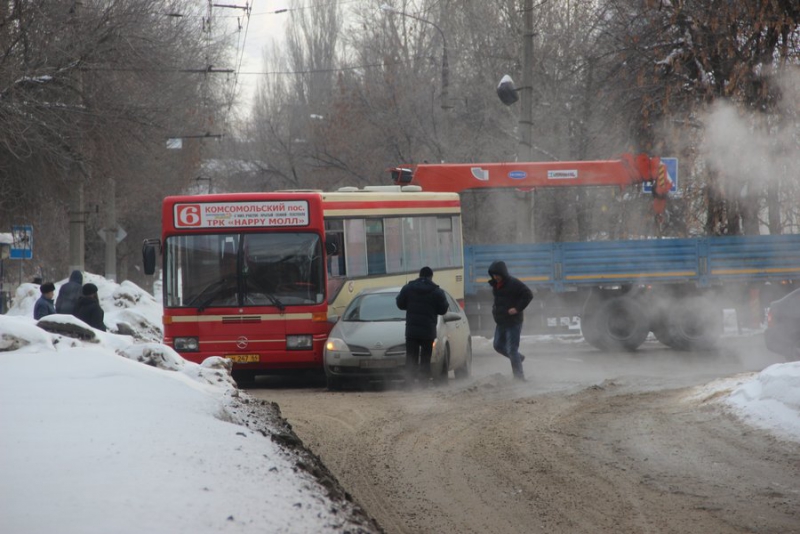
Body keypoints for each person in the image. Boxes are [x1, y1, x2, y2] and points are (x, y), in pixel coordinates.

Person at [396, 266, 449, 386]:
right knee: (425, 358)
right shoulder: (436, 291)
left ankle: (409, 384)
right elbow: (444, 309)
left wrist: (410, 306)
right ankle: (423, 383)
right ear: (431, 276)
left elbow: (399, 303)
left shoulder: (408, 288)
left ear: (419, 275)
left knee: (411, 358)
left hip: (412, 331)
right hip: (428, 331)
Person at [488, 260, 533, 381]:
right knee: (497, 345)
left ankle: (519, 378)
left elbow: (528, 294)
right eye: (493, 275)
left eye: (497, 274)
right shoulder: (495, 285)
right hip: (501, 321)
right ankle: (518, 358)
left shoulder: (513, 283)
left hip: (513, 322)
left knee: (512, 349)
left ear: (503, 273)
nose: (495, 277)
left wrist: (517, 308)